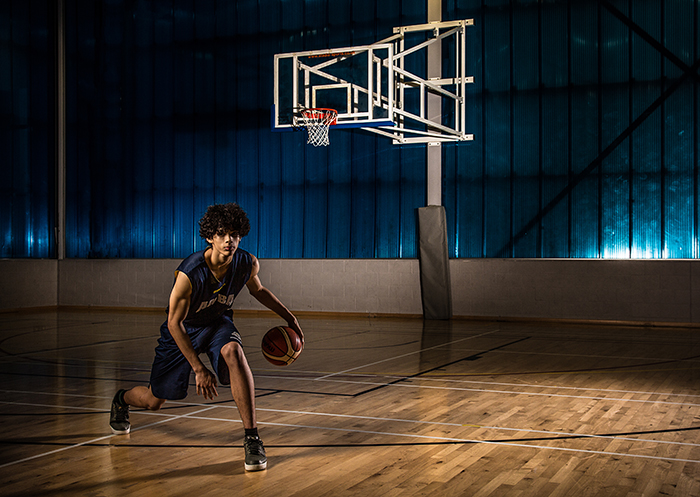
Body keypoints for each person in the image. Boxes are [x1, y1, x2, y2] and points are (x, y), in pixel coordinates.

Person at [109, 203, 303, 472]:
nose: (229, 241)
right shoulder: (190, 273)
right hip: (184, 330)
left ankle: (252, 438)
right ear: (210, 237)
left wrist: (289, 317)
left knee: (234, 352)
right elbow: (174, 323)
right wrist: (198, 368)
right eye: (222, 234)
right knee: (154, 402)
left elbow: (258, 290)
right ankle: (121, 399)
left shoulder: (247, 263)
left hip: (216, 323)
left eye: (234, 235)